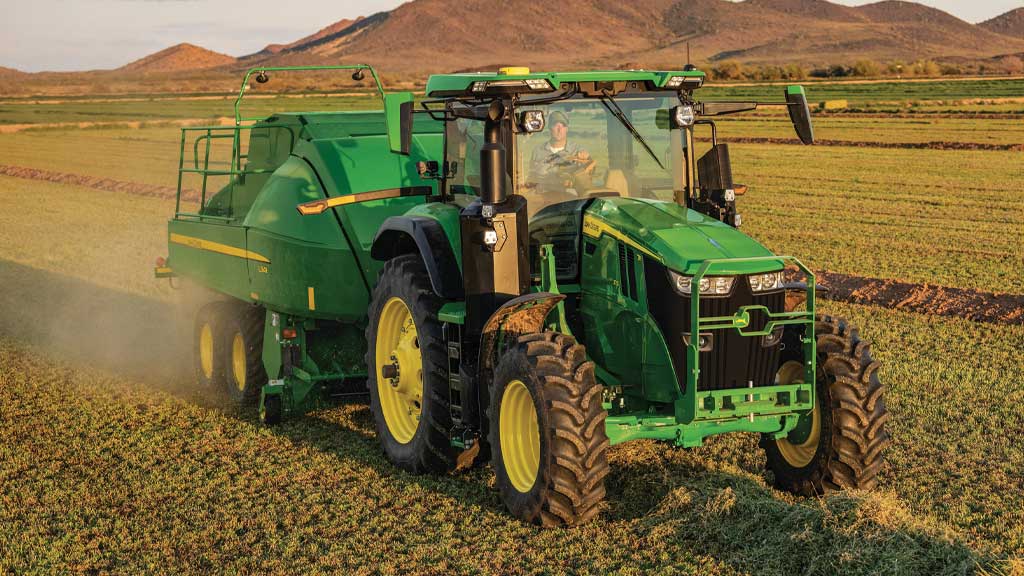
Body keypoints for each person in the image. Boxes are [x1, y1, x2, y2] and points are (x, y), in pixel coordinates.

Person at [528, 111, 594, 193]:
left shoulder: (577, 150)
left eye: (563, 126)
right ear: (549, 128)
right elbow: (531, 178)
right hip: (542, 199)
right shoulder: (538, 151)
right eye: (556, 125)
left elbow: (591, 172)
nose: (559, 129)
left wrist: (588, 158)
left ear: (567, 129)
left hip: (569, 199)